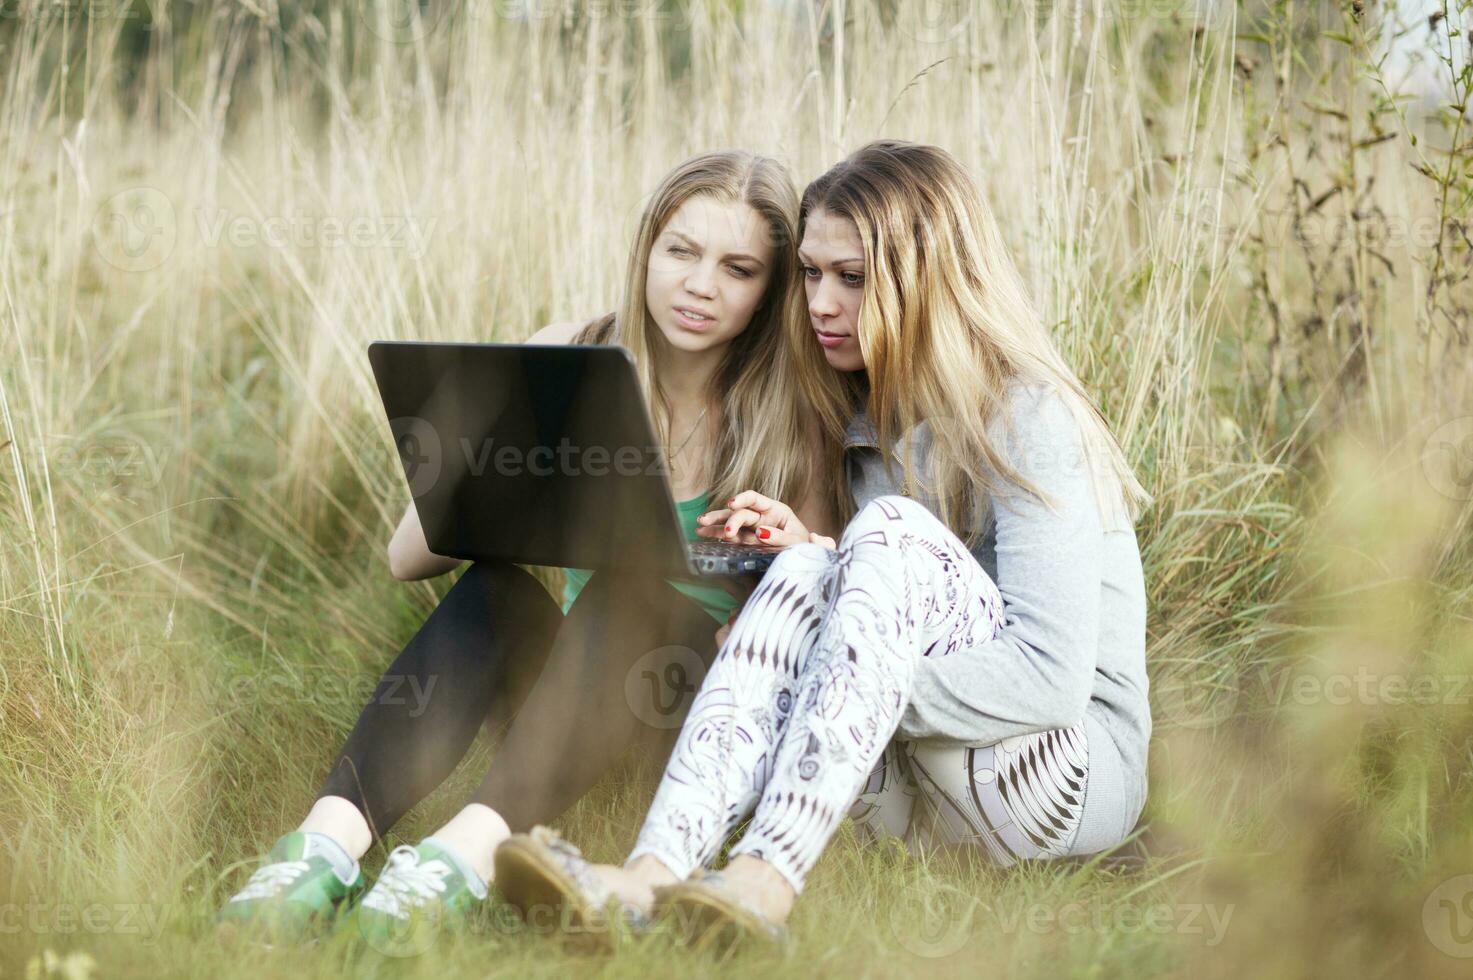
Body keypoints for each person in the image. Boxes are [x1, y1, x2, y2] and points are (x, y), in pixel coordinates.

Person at [494, 140, 1154, 948]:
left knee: (881, 533)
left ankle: (762, 882)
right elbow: (876, 616)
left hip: (1063, 780)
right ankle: (651, 876)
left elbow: (1050, 680)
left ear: (928, 280)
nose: (818, 303)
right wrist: (804, 567)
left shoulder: (1029, 416)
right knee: (809, 562)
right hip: (921, 790)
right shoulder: (863, 426)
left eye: (852, 277)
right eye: (808, 273)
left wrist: (823, 669)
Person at [217, 150, 840, 944]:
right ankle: (322, 849)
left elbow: (812, 602)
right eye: (680, 251)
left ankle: (460, 859)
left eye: (738, 268)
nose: (700, 284)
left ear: (768, 291)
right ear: (646, 248)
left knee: (631, 590)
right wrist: (489, 437)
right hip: (561, 707)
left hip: (687, 719)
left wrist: (769, 572)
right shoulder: (571, 352)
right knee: (496, 589)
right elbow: (405, 559)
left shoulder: (792, 414)